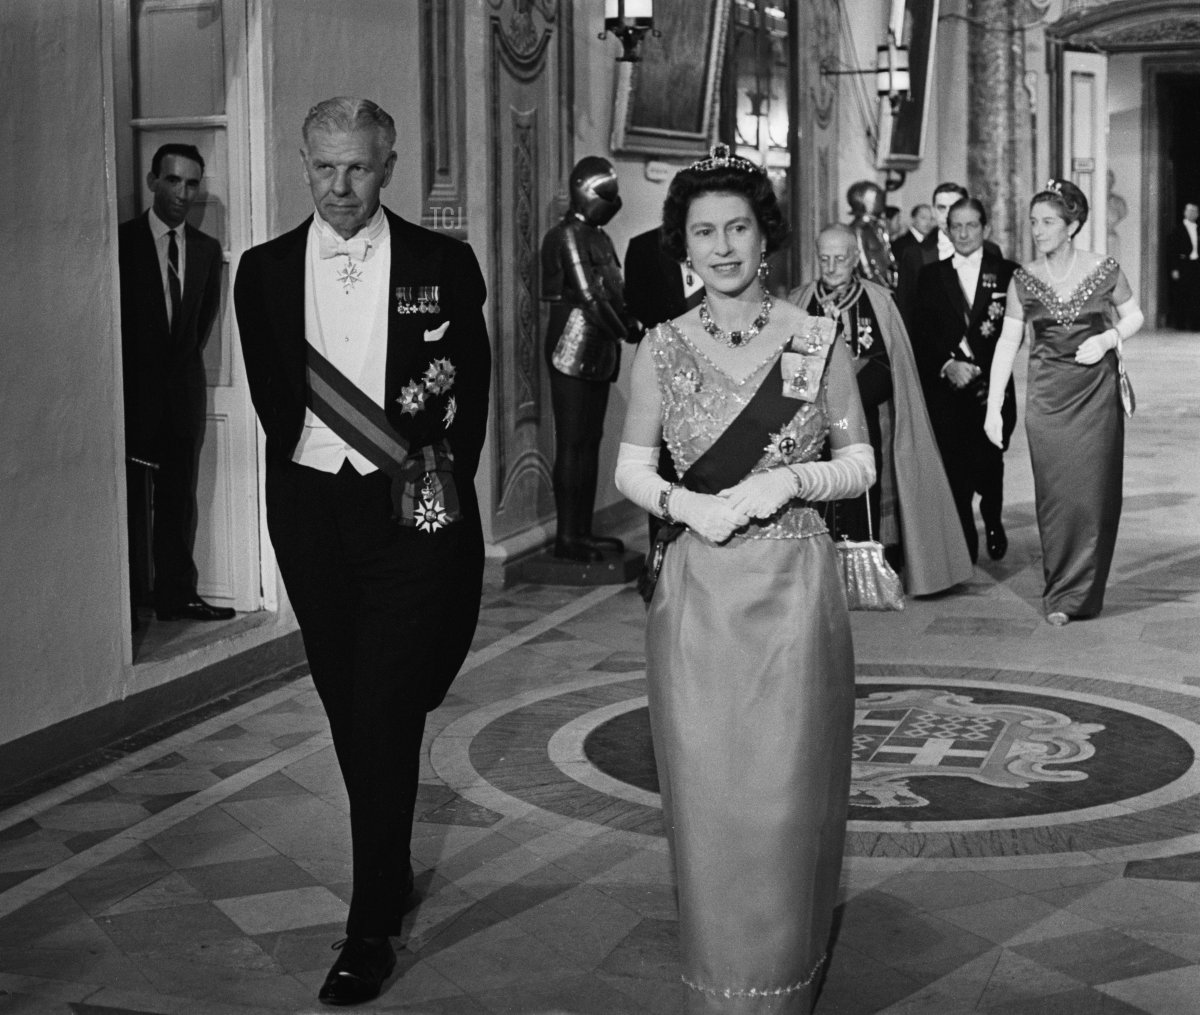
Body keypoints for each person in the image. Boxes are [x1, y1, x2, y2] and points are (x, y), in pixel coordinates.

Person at [233, 97, 491, 1005]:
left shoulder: (441, 262)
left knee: (382, 702)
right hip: (311, 516)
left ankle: (370, 922)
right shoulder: (260, 272)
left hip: (407, 516)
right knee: (347, 700)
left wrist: (434, 497)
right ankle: (388, 857)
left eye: (359, 168)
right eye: (324, 168)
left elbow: (476, 395)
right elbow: (275, 405)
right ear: (304, 164)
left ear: (388, 165)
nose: (340, 187)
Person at [615, 142, 874, 1013]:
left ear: (765, 238)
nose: (722, 246)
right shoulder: (661, 346)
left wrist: (790, 479)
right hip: (699, 597)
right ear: (682, 246)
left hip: (795, 590)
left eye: (737, 228)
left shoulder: (813, 339)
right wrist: (686, 508)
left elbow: (862, 464)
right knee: (711, 798)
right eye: (702, 232)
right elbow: (629, 470)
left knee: (786, 799)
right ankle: (721, 987)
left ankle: (783, 985)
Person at [985, 179, 1143, 626]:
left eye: (1049, 221)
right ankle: (1061, 594)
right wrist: (994, 404)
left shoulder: (1104, 269)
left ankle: (1082, 594)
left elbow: (1135, 316)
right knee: (1055, 499)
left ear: (1072, 225)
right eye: (1034, 221)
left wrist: (1109, 338)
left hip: (1096, 396)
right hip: (1048, 400)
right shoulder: (1023, 279)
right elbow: (1007, 342)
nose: (1038, 229)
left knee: (1093, 498)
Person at [788, 225, 973, 597]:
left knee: (864, 491)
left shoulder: (878, 299)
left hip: (869, 418)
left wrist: (847, 393)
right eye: (825, 258)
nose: (832, 266)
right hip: (811, 422)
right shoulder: (798, 301)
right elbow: (787, 362)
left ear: (855, 258)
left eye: (840, 258)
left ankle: (869, 573)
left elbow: (892, 365)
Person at [119, 143, 232, 625]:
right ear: (152, 182)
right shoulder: (120, 243)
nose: (183, 193)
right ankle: (123, 599)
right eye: (173, 181)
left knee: (176, 500)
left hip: (179, 398)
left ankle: (175, 595)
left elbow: (196, 327)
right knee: (123, 499)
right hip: (127, 397)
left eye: (192, 184)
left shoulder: (205, 252)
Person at [913, 198, 1019, 562]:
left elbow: (1018, 332)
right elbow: (919, 335)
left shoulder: (1008, 273)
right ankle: (963, 541)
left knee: (990, 462)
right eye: (955, 226)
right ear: (946, 230)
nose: (963, 233)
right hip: (948, 390)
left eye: (971, 225)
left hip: (991, 387)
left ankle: (992, 518)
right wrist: (946, 365)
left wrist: (988, 372)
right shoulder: (930, 276)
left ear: (985, 229)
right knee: (954, 467)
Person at [624, 225, 706, 545]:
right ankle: (663, 556)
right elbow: (639, 312)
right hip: (667, 375)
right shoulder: (644, 247)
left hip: (720, 378)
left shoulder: (721, 245)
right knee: (664, 470)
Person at [895, 182, 1002, 324]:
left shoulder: (990, 250)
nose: (947, 214)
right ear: (933, 211)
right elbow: (905, 310)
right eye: (941, 208)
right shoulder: (915, 254)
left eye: (955, 207)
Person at [846, 179, 896, 289]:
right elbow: (864, 266)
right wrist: (877, 287)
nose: (880, 202)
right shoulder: (859, 229)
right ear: (862, 201)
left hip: (887, 283)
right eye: (876, 198)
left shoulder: (878, 227)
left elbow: (888, 255)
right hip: (872, 286)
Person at [1168, 200, 1200, 330]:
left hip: (1196, 265)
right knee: (1182, 295)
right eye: (1190, 210)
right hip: (1183, 265)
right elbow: (1171, 251)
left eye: (1195, 211)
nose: (1192, 213)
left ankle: (1195, 324)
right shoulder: (1177, 230)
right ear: (1185, 212)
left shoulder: (1198, 229)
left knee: (1196, 295)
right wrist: (1174, 268)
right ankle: (1180, 324)